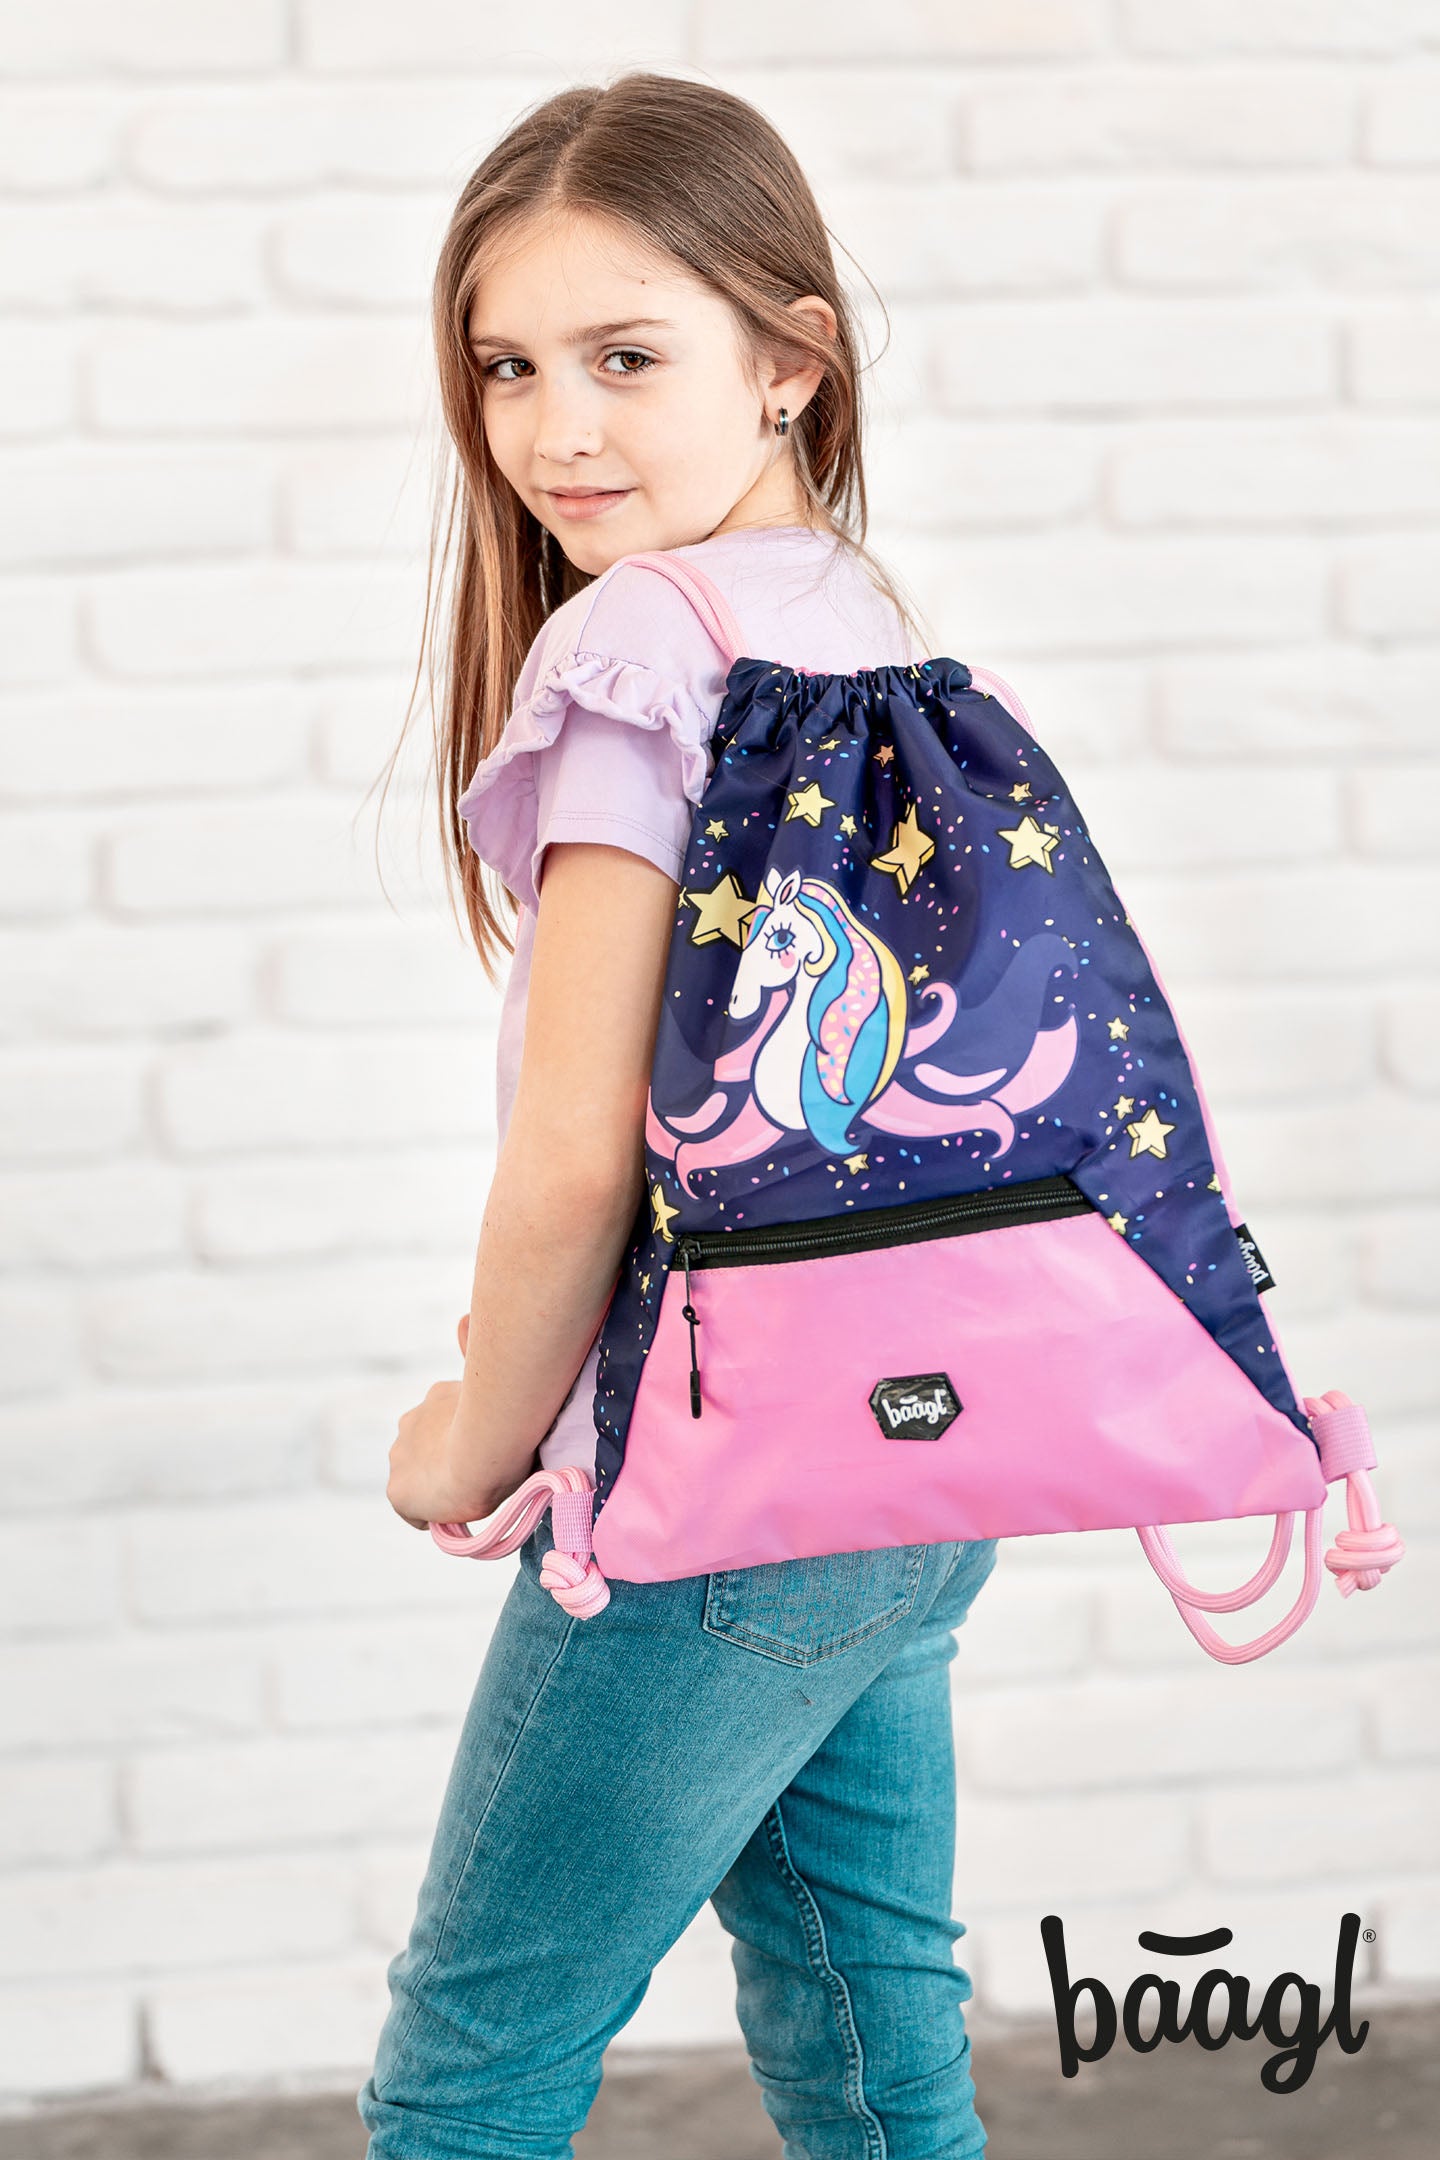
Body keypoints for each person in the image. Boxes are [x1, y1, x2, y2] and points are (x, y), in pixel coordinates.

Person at [357, 70, 1000, 2160]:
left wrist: (469, 1444)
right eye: (508, 368)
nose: (555, 430)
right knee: (872, 2039)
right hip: (918, 1445)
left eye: (625, 358)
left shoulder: (639, 644)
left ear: (790, 358)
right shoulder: (855, 613)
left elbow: (578, 1156)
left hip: (702, 1480)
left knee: (472, 2066)